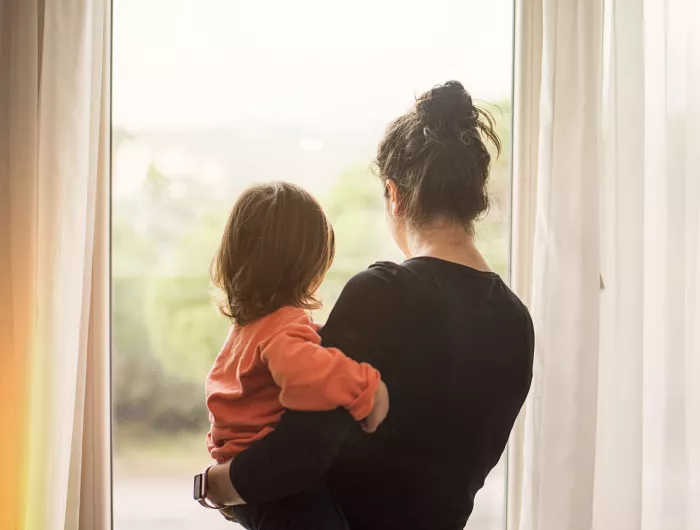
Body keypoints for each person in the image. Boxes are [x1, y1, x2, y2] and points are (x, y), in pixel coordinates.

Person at [205, 81, 535, 530]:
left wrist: (215, 483)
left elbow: (299, 451)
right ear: (472, 196)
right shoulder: (517, 322)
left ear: (394, 194)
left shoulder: (382, 293)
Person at [202, 182, 390, 526]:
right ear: (307, 270)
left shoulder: (247, 330)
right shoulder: (282, 329)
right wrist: (366, 388)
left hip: (246, 487)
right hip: (282, 494)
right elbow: (311, 377)